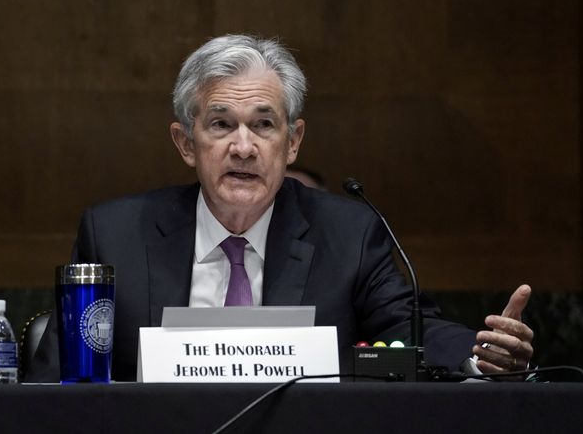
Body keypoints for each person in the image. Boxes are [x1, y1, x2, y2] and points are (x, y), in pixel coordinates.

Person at [27, 34, 534, 382]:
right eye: (221, 124)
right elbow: (56, 382)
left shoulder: (348, 233)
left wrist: (481, 353)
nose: (243, 147)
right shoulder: (115, 234)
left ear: (293, 143)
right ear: (186, 144)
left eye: (264, 125)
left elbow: (409, 328)